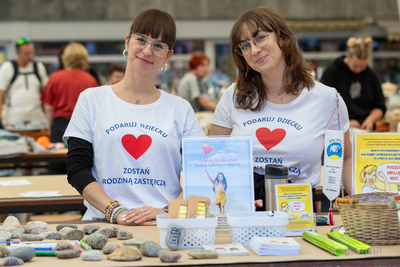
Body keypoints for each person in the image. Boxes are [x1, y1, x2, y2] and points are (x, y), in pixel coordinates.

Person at [63, 9, 204, 225]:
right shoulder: (92, 100)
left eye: (158, 46)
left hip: (164, 224)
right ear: (128, 42)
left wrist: (168, 212)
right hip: (104, 223)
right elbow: (76, 168)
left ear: (168, 56)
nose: (147, 51)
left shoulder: (180, 108)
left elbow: (203, 173)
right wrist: (116, 212)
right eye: (141, 40)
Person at [209, 6, 352, 211]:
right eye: (244, 45)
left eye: (259, 37)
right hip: (242, 209)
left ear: (283, 39)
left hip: (299, 211)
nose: (254, 49)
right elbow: (214, 159)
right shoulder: (234, 96)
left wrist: (363, 202)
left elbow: (345, 157)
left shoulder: (328, 99)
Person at [40, 42, 98, 173]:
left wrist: (50, 129)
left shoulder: (55, 78)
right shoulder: (90, 80)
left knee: (57, 166)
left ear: (65, 58)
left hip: (60, 126)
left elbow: (49, 108)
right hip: (83, 127)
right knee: (81, 166)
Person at [321, 37, 386, 131]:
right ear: (348, 56)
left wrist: (370, 120)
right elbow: (324, 105)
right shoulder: (333, 72)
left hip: (365, 128)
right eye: (355, 66)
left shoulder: (371, 75)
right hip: (338, 129)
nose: (358, 70)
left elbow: (380, 106)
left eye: (362, 66)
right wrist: (346, 122)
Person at [0, 37, 48, 129]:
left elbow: (45, 95)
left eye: (32, 52)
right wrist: (1, 120)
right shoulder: (8, 68)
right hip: (13, 121)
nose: (30, 56)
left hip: (36, 120)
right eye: (26, 54)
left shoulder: (39, 67)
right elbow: (0, 95)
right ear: (17, 53)